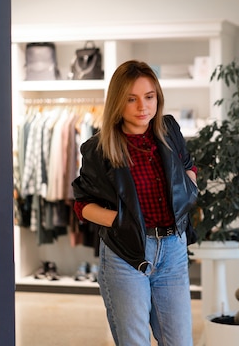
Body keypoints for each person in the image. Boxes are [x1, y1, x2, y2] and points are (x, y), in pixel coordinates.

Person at [71, 60, 198, 346]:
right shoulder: (99, 148)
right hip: (125, 254)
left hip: (173, 251)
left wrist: (190, 186)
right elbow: (83, 204)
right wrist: (120, 222)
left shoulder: (168, 129)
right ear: (118, 102)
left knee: (180, 341)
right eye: (132, 99)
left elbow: (189, 165)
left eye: (149, 97)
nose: (143, 107)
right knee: (134, 342)